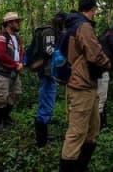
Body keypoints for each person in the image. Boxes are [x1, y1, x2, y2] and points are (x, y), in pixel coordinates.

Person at [59, 0, 110, 172]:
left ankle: (81, 166)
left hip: (87, 85)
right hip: (80, 85)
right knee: (77, 133)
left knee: (92, 130)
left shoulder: (73, 24)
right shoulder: (84, 26)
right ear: (93, 9)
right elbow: (95, 55)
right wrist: (107, 63)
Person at [35, 11, 67, 147]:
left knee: (48, 102)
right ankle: (41, 141)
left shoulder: (53, 31)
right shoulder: (49, 31)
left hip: (50, 71)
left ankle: (44, 135)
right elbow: (49, 50)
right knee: (46, 103)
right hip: (47, 72)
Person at [0, 12, 24, 131]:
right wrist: (15, 64)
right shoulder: (1, 37)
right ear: (9, 23)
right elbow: (1, 55)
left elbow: (20, 52)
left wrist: (20, 63)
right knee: (0, 98)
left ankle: (5, 117)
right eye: (16, 21)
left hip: (14, 71)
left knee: (15, 94)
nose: (18, 24)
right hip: (2, 72)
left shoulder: (17, 38)